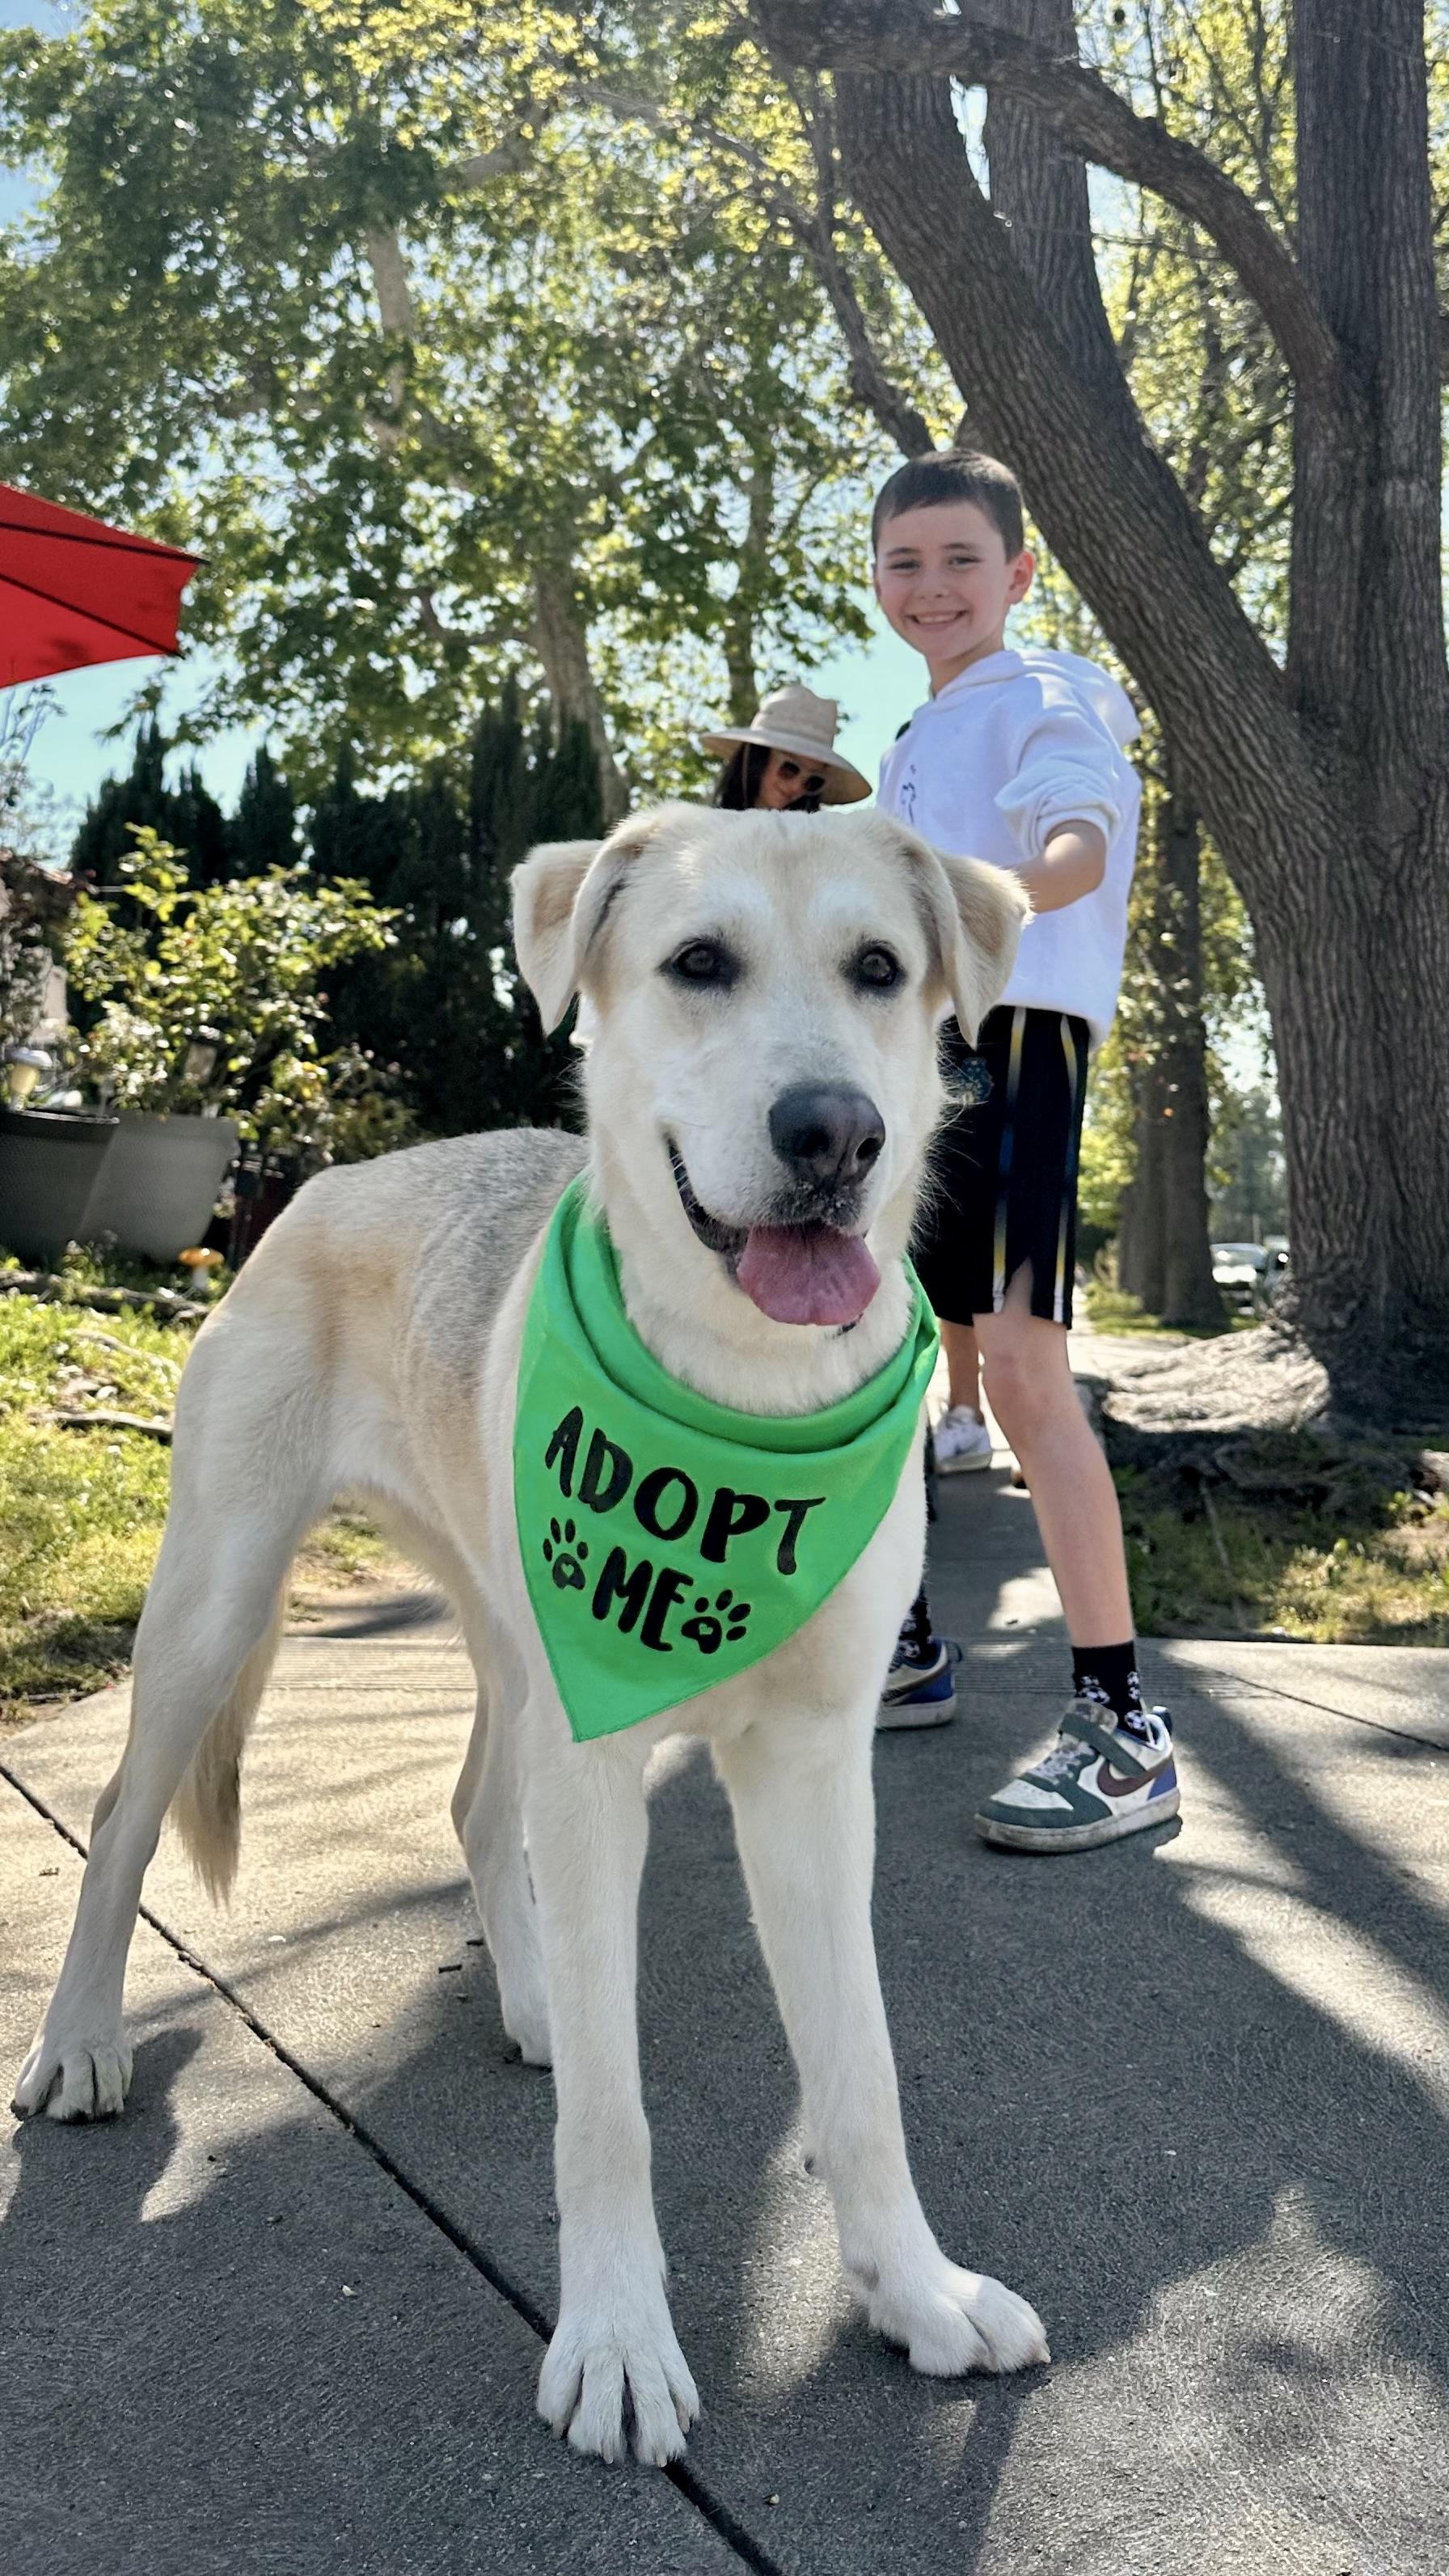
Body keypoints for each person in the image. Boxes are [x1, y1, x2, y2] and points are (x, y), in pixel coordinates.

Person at [870, 448, 1178, 1855]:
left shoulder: (1040, 691)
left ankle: (1122, 1729)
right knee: (881, 1352)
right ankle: (905, 1642)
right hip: (920, 1059)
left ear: (1017, 574)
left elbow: (1079, 832)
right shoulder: (918, 731)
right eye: (903, 563)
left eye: (957, 561)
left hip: (1018, 1048)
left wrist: (994, 895)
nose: (929, 587)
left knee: (1022, 1373)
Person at [702, 683, 872, 812]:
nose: (797, 787)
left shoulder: (817, 846)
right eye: (790, 769)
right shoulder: (703, 832)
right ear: (758, 757)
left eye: (813, 782)